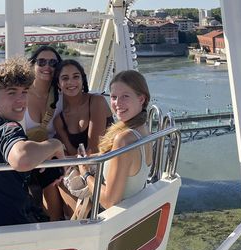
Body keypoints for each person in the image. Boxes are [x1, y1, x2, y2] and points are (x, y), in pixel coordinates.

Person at [0, 57, 65, 229]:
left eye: (24, 92)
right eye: (11, 92)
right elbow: (22, 159)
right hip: (12, 232)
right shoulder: (7, 127)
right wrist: (55, 144)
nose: (21, 100)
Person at [79, 70, 153, 209]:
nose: (117, 103)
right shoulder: (143, 130)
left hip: (114, 219)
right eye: (113, 97)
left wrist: (85, 174)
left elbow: (109, 201)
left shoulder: (123, 140)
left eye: (125, 96)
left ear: (141, 99)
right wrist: (87, 159)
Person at [24, 45, 64, 221]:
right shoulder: (20, 94)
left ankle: (55, 223)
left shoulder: (61, 96)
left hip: (50, 155)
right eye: (41, 62)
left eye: (53, 63)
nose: (47, 67)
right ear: (33, 65)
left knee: (51, 175)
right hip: (23, 152)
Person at [52, 59, 113, 156]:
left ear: (82, 79)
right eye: (65, 78)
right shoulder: (59, 121)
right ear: (59, 84)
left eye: (76, 77)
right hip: (83, 167)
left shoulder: (97, 101)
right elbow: (72, 153)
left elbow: (94, 149)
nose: (71, 82)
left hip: (106, 164)